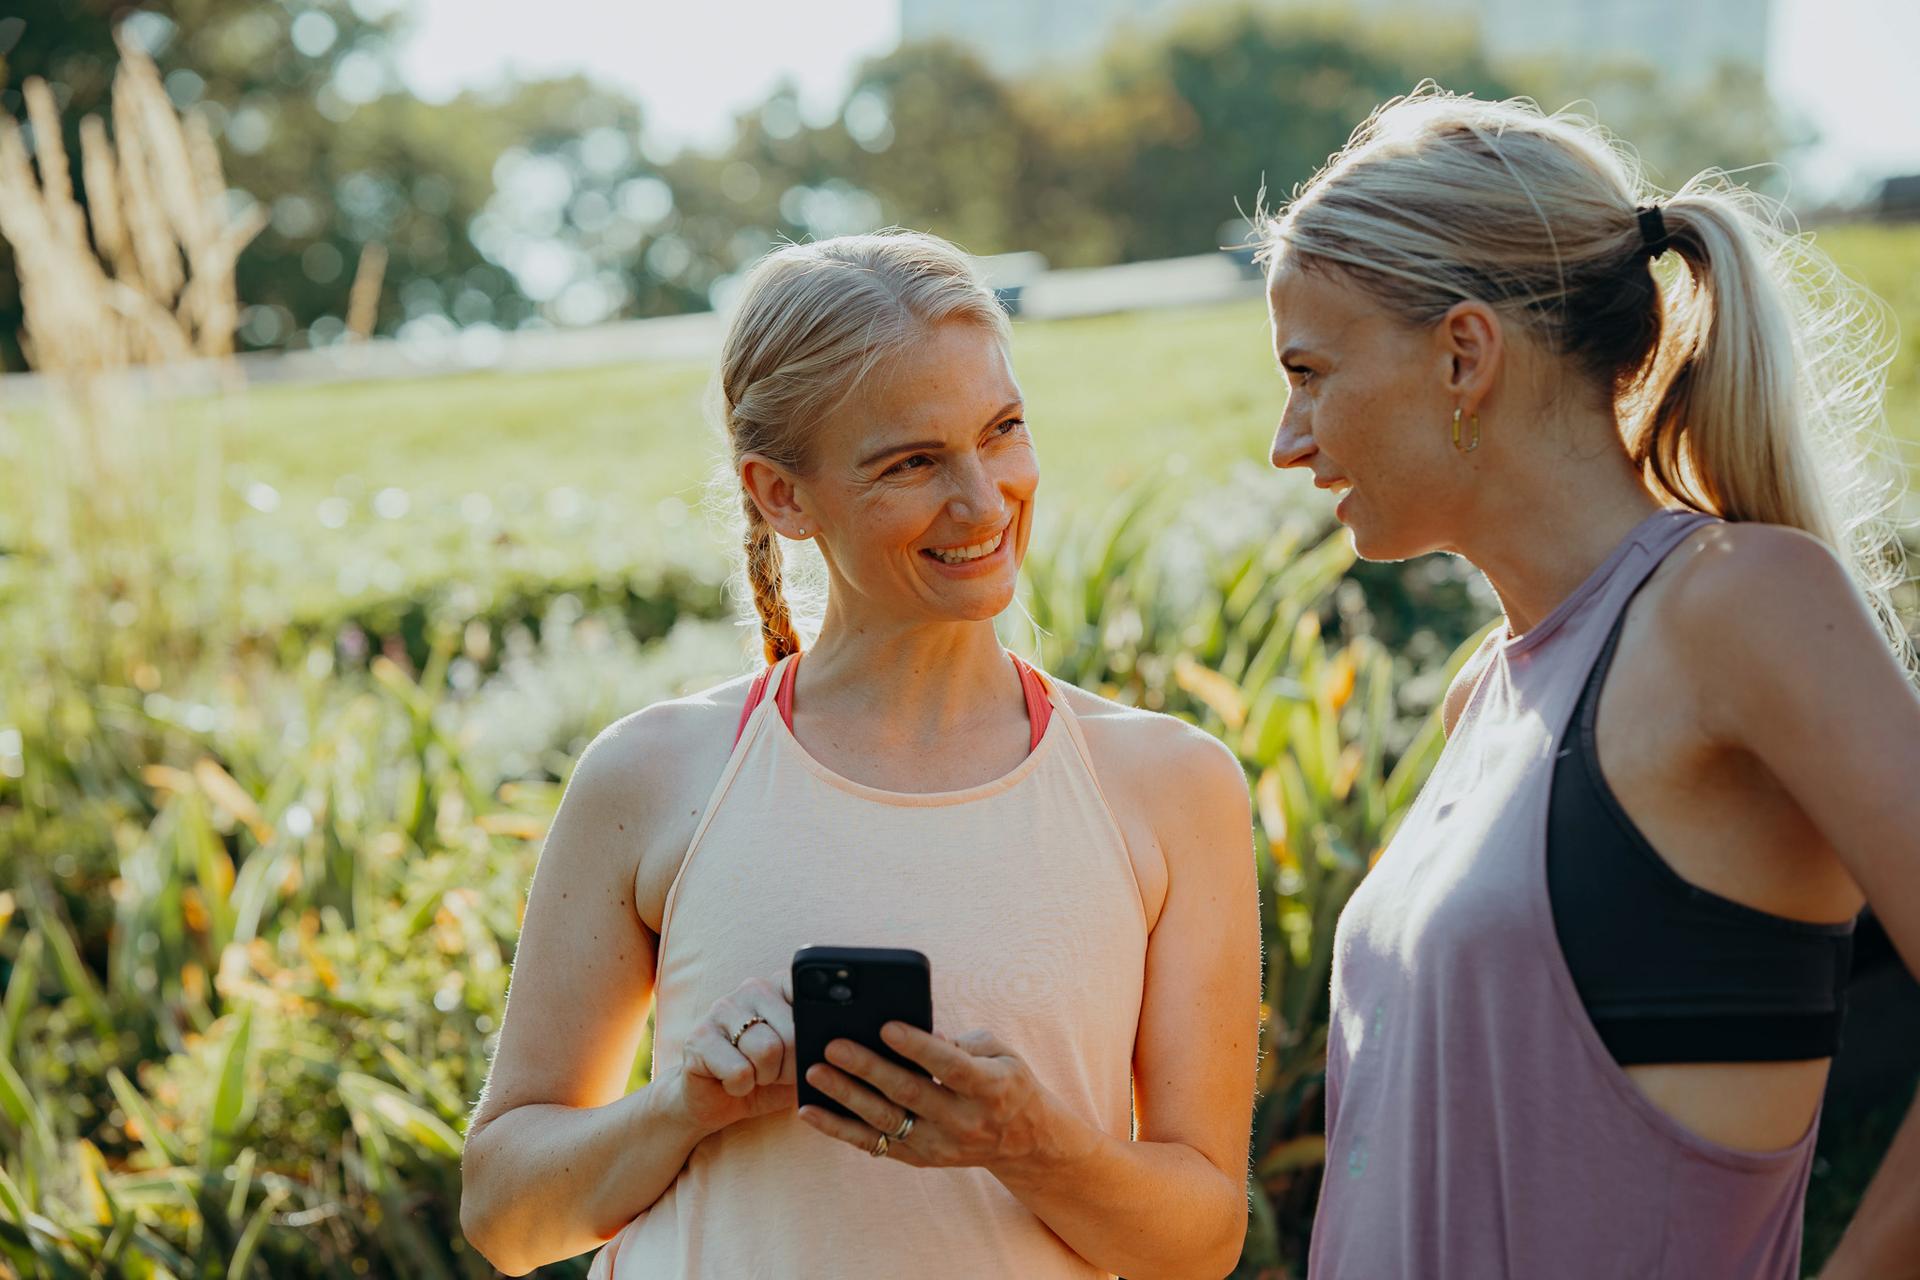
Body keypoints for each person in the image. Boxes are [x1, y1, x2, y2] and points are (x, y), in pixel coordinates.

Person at [457, 229, 1261, 1278]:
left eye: (1002, 430)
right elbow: (508, 1216)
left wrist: (1033, 1142)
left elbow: (1200, 1242)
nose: (983, 501)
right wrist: (683, 1105)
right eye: (913, 462)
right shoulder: (652, 775)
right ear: (782, 494)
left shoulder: (1169, 785)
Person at [1256, 87, 1920, 1278]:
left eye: (1309, 371)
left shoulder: (1735, 604)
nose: (1288, 438)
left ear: (1465, 353)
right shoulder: (1485, 694)